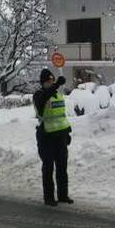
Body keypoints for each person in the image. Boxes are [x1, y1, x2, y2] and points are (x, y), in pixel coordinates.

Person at [33, 68, 73, 206]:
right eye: (48, 81)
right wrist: (56, 85)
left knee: (62, 167)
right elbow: (44, 97)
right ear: (43, 83)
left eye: (52, 80)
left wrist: (67, 133)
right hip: (46, 136)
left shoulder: (58, 95)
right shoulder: (39, 95)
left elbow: (62, 116)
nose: (51, 82)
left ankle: (63, 195)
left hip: (60, 136)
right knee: (48, 167)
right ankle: (49, 197)